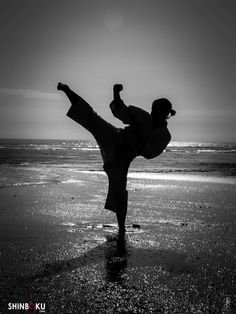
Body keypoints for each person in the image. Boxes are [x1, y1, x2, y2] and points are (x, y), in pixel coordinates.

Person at [57, 82, 176, 236]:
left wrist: (139, 139)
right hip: (114, 136)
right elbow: (120, 111)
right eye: (153, 110)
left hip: (123, 157)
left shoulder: (164, 135)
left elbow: (150, 153)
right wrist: (116, 92)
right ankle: (67, 90)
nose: (153, 113)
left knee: (119, 191)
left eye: (158, 111)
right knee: (91, 117)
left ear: (165, 114)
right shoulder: (143, 116)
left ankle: (121, 228)